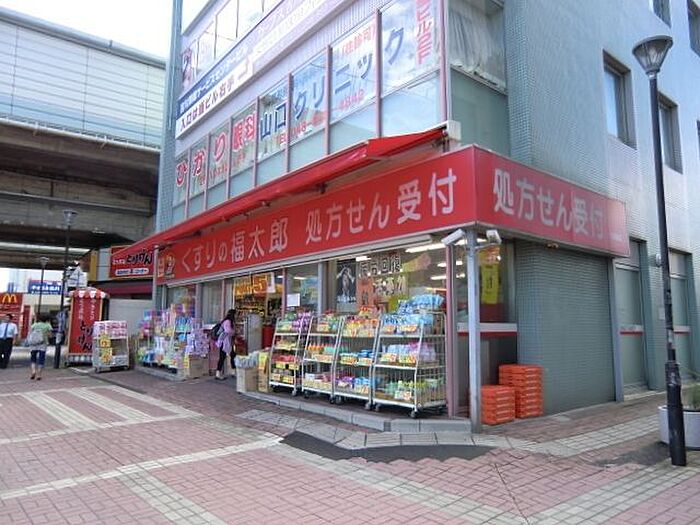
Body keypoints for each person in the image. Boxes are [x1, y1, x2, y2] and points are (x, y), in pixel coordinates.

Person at [27, 314, 52, 380]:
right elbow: (50, 335)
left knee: (33, 358)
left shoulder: (35, 325)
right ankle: (39, 374)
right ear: (47, 319)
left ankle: (33, 371)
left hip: (33, 343)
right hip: (42, 344)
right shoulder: (48, 325)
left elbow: (30, 332)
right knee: (41, 359)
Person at [215, 309, 236, 380]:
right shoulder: (227, 321)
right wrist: (234, 332)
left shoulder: (227, 321)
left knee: (232, 355)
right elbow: (228, 331)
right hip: (224, 342)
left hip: (226, 342)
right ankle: (218, 373)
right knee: (223, 357)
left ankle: (232, 371)